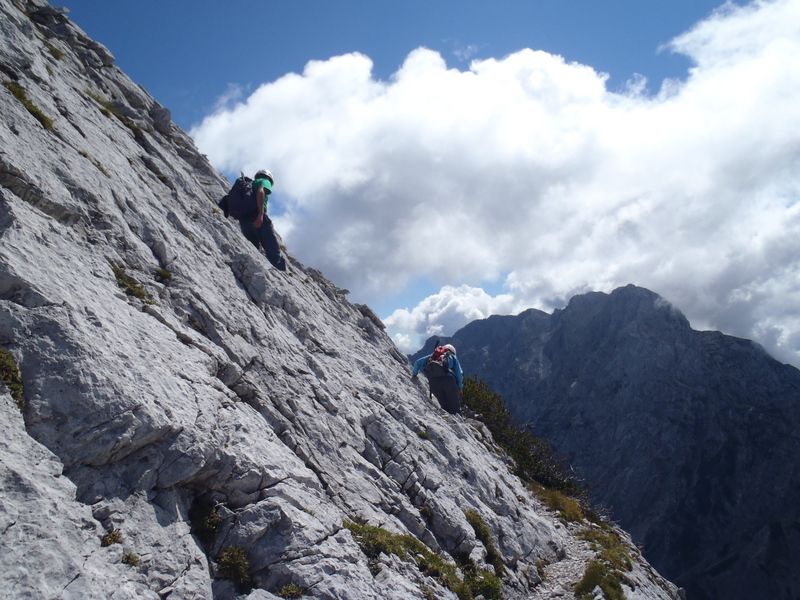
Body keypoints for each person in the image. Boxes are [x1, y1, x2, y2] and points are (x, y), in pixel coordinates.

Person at [238, 169, 287, 271]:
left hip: (244, 220)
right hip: (257, 217)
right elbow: (261, 191)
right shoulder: (264, 181)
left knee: (253, 248)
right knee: (273, 250)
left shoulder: (249, 184)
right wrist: (260, 214)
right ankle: (279, 273)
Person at [411, 343, 464, 415]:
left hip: (433, 383)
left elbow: (417, 362)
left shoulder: (433, 356)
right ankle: (457, 420)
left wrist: (414, 374)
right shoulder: (452, 356)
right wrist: (460, 387)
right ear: (453, 351)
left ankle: (446, 420)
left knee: (444, 407)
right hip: (448, 380)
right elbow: (459, 374)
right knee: (454, 407)